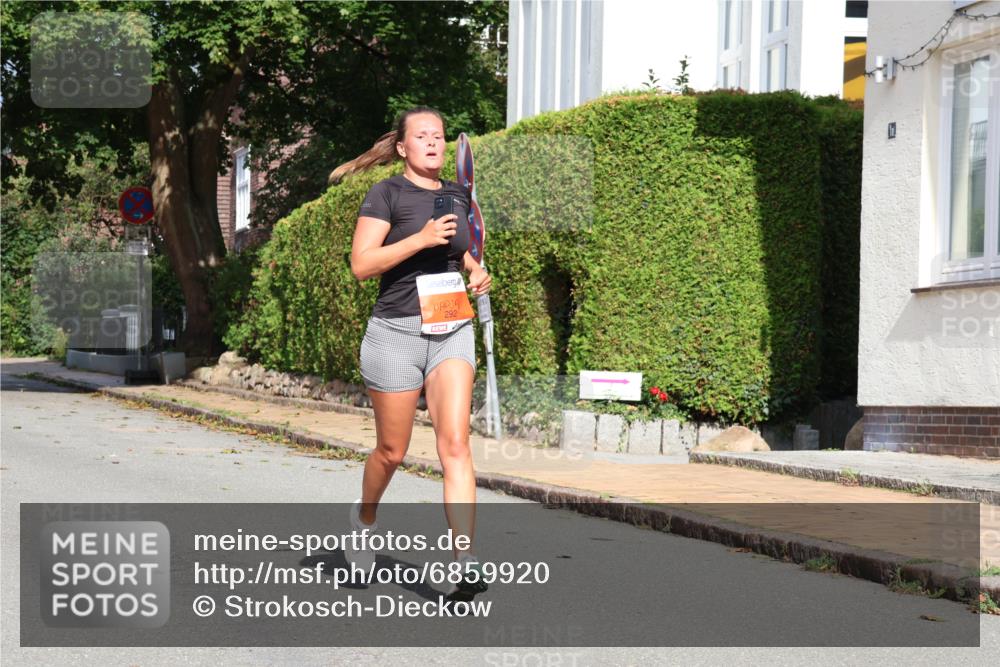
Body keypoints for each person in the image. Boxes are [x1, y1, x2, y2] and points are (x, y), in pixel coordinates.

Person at [331, 106, 492, 602]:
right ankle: (363, 519)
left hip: (450, 328)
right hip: (394, 332)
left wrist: (474, 269)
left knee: (456, 446)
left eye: (439, 137)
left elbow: (457, 247)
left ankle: (462, 561)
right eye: (421, 136)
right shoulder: (385, 194)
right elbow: (361, 265)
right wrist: (418, 239)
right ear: (402, 147)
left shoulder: (458, 193)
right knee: (392, 451)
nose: (433, 143)